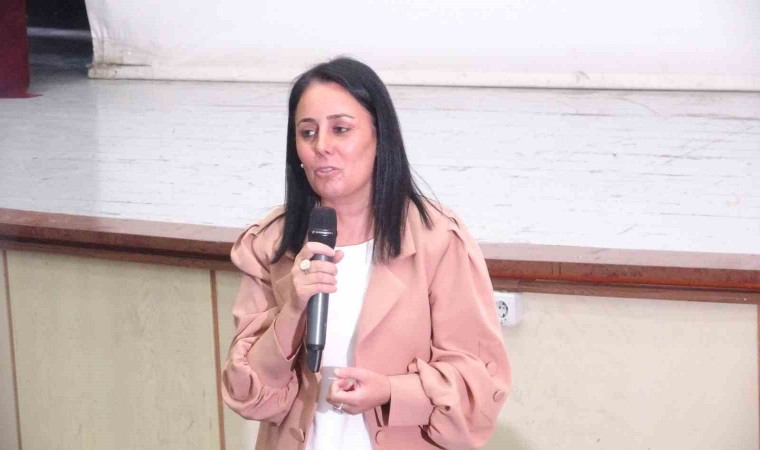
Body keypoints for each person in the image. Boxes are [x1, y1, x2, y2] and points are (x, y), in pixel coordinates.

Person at [221, 57, 510, 450]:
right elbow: (247, 394)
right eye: (307, 132)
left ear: (380, 135)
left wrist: (392, 391)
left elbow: (479, 390)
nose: (322, 146)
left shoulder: (437, 238)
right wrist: (292, 309)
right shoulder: (271, 244)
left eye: (340, 129)